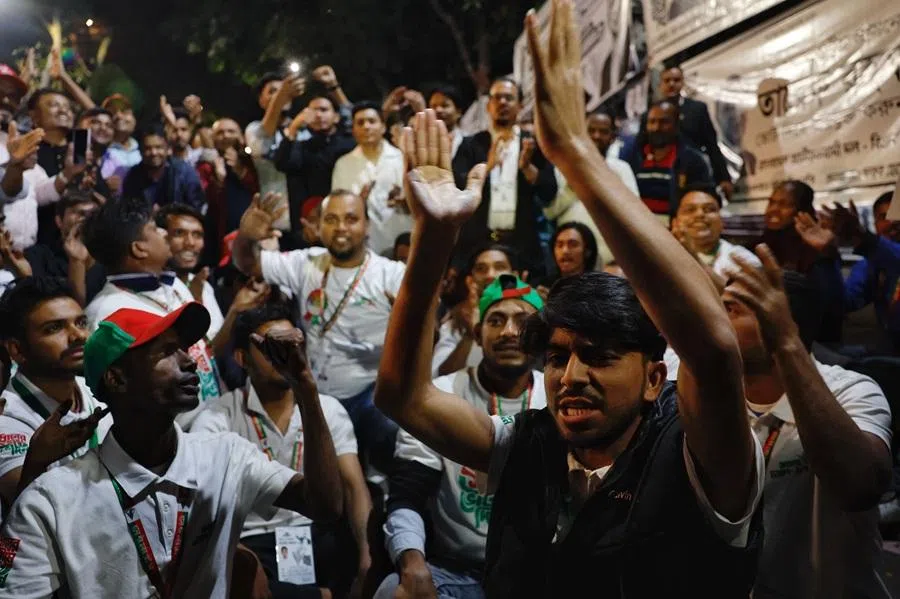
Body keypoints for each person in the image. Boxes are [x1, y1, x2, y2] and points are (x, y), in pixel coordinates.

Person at [376, 6, 762, 598]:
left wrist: (577, 153)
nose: (571, 377)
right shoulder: (530, 443)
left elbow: (712, 350)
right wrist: (434, 236)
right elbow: (402, 396)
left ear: (654, 378)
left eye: (599, 356)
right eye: (557, 358)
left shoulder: (697, 457)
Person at [0, 303, 344, 598]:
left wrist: (305, 389)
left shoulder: (226, 457)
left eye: (184, 348)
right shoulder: (52, 500)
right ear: (117, 379)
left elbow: (325, 506)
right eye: (166, 352)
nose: (189, 361)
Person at [720, 249, 892, 598]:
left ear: (785, 324)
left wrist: (785, 345)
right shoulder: (711, 395)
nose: (716, 319)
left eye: (733, 309)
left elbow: (861, 486)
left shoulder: (850, 390)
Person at [376, 275, 546, 599]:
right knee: (391, 591)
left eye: (522, 321)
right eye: (496, 321)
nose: (509, 331)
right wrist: (412, 562)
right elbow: (407, 494)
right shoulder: (442, 394)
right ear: (477, 334)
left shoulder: (555, 397)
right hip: (458, 571)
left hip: (534, 573)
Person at [193, 303, 372, 599]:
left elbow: (354, 487)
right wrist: (238, 553)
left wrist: (368, 553)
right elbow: (203, 508)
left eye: (291, 345)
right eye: (271, 348)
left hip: (318, 535)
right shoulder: (217, 419)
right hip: (252, 543)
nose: (284, 355)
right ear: (242, 358)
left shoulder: (327, 409)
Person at [233, 189, 404, 473]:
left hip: (369, 395)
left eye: (351, 219)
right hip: (317, 394)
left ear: (367, 226)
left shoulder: (392, 274)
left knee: (390, 443)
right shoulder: (307, 263)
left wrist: (408, 320)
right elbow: (248, 263)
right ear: (319, 225)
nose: (341, 227)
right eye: (331, 219)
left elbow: (430, 330)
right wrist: (246, 236)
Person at [83, 197, 223, 425]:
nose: (165, 233)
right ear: (139, 248)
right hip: (170, 433)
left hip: (210, 420)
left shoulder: (175, 286)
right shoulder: (106, 312)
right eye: (154, 228)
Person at [0, 277, 112, 507]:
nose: (78, 336)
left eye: (81, 323)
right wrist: (36, 463)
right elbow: (25, 507)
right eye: (54, 328)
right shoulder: (7, 419)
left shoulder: (99, 390)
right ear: (17, 350)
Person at [452, 77, 557, 279]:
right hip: (477, 243)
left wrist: (528, 168)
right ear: (488, 106)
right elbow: (456, 188)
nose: (502, 102)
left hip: (522, 244)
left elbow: (549, 193)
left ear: (520, 105)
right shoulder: (471, 144)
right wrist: (488, 166)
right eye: (497, 98)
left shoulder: (533, 144)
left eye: (509, 98)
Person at [544, 110, 638, 267]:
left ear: (613, 137)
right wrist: (571, 188)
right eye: (591, 131)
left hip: (611, 257)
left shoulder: (621, 169)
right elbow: (549, 212)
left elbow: (635, 214)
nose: (597, 136)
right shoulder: (562, 168)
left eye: (603, 132)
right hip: (571, 259)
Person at [761, 180, 844, 343]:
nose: (773, 210)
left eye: (784, 205)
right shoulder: (759, 245)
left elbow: (831, 308)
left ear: (802, 211)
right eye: (771, 202)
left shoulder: (815, 251)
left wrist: (824, 252)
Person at [274, 89, 356, 243]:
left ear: (336, 117)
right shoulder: (302, 146)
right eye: (313, 111)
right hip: (311, 222)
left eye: (323, 110)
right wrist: (293, 127)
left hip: (345, 217)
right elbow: (283, 164)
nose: (318, 115)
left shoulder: (350, 144)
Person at [332, 101, 407, 255]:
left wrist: (405, 200)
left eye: (372, 121)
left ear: (383, 127)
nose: (366, 127)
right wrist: (359, 201)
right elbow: (337, 207)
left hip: (402, 239)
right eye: (360, 123)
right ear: (353, 129)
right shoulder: (343, 164)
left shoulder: (402, 158)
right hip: (365, 243)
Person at [432, 244, 516, 377]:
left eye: (499, 267)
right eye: (481, 269)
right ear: (470, 280)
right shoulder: (457, 322)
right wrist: (469, 336)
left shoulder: (533, 319)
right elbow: (439, 376)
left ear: (515, 276)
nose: (490, 275)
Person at [626, 99, 713, 220]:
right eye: (652, 122)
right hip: (636, 226)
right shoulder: (633, 158)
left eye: (664, 122)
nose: (656, 128)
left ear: (676, 125)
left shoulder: (692, 161)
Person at [658, 66, 733, 199]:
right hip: (662, 174)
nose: (672, 84)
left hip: (695, 173)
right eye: (667, 80)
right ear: (660, 84)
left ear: (683, 82)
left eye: (676, 80)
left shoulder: (697, 109)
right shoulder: (652, 113)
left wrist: (723, 178)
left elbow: (711, 145)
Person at [838, 192, 900, 352]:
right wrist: (826, 256)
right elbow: (845, 303)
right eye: (884, 217)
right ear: (875, 223)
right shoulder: (867, 264)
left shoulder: (883, 253)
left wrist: (863, 237)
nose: (893, 222)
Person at [25, 190, 106, 306]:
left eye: (92, 214)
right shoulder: (38, 256)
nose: (85, 218)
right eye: (79, 213)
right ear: (59, 221)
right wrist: (76, 262)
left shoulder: (109, 258)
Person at [198, 118, 261, 265]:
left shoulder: (253, 161)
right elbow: (205, 199)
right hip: (218, 234)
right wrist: (219, 179)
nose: (226, 136)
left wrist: (240, 170)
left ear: (241, 135)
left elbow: (258, 190)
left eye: (231, 131)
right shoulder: (206, 166)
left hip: (251, 231)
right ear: (213, 138)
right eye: (220, 132)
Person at [671, 183, 760, 281]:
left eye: (709, 209)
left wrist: (694, 259)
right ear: (674, 223)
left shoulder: (742, 260)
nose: (700, 214)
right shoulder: (663, 259)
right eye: (690, 210)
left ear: (722, 222)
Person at [121, 125, 206, 212]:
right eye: (148, 148)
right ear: (140, 151)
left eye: (158, 147)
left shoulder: (185, 172)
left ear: (167, 149)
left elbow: (196, 207)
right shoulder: (133, 177)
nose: (154, 153)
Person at [428, 84, 466, 159]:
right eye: (433, 106)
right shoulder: (423, 143)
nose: (438, 110)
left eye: (445, 105)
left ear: (458, 111)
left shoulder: (470, 143)